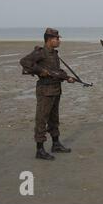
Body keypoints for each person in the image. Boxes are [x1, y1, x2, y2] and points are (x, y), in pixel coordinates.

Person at [20, 28, 75, 160]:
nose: (59, 41)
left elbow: (56, 71)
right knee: (41, 120)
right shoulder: (41, 52)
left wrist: (67, 77)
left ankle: (55, 144)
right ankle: (40, 150)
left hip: (56, 90)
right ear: (50, 40)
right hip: (45, 91)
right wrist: (40, 71)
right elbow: (24, 62)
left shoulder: (54, 54)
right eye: (57, 39)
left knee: (54, 119)